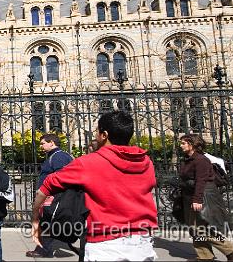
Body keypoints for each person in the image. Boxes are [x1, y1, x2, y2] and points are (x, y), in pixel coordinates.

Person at [32, 111, 158, 261]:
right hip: (143, 243)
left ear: (104, 135)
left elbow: (46, 187)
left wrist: (35, 219)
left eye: (97, 132)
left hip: (106, 244)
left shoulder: (88, 163)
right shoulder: (146, 162)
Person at [179, 134, 233, 261]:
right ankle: (205, 256)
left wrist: (197, 199)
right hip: (189, 196)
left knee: (200, 229)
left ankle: (230, 250)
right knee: (193, 228)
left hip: (202, 196)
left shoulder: (201, 160)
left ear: (192, 144)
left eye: (184, 143)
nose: (181, 145)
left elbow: (202, 181)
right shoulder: (187, 159)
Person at [26, 134, 73, 258]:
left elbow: (61, 177)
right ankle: (42, 248)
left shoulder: (59, 156)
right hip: (50, 196)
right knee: (46, 222)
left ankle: (43, 250)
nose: (41, 146)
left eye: (42, 143)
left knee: (46, 222)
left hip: (53, 197)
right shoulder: (55, 156)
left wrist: (49, 193)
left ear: (51, 142)